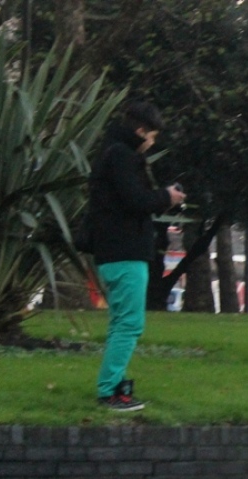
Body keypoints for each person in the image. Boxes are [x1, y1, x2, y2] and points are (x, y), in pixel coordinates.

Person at [88, 101, 186, 412]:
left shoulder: (111, 152)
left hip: (113, 251)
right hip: (125, 252)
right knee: (129, 324)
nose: (152, 142)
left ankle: (114, 385)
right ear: (141, 130)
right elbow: (135, 200)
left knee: (121, 322)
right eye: (152, 136)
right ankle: (110, 391)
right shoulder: (123, 156)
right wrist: (165, 198)